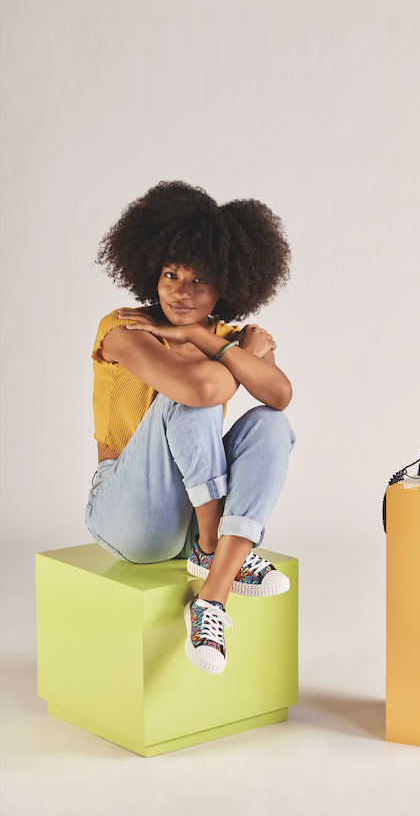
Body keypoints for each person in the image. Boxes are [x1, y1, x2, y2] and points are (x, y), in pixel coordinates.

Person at [85, 180, 295, 675]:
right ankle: (213, 546)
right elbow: (199, 390)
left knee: (270, 425)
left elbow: (280, 397)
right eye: (170, 274)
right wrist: (241, 355)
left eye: (199, 280)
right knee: (193, 399)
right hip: (128, 513)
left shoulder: (225, 337)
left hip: (194, 510)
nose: (180, 292)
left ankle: (211, 599)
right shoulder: (125, 328)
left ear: (227, 285)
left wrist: (207, 340)